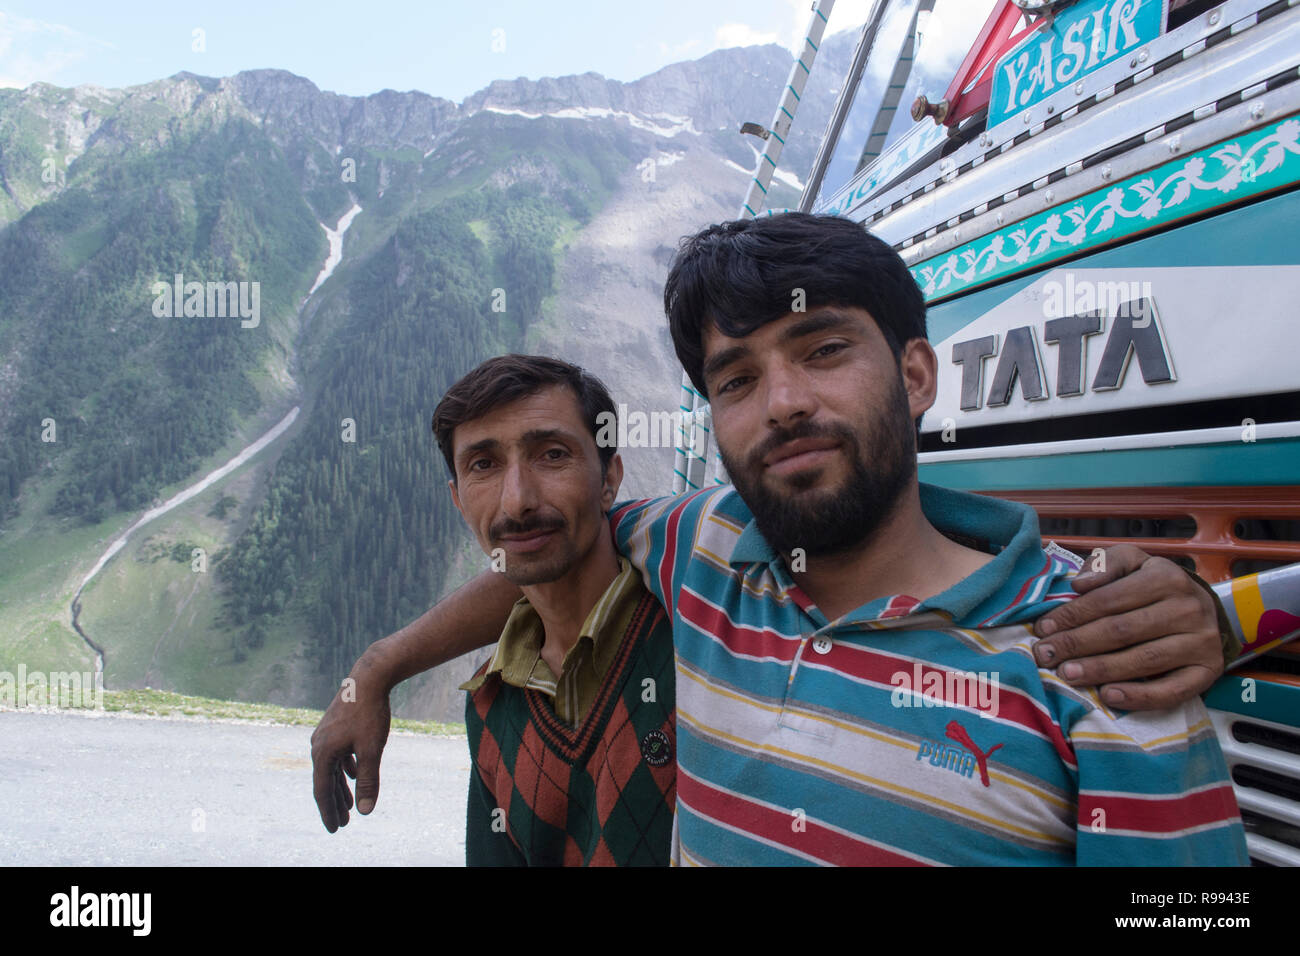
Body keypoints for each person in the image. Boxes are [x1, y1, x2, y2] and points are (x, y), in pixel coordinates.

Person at [311, 214, 1241, 864]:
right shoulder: (702, 548)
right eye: (737, 379)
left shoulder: (1103, 661)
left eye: (824, 349)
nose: (785, 402)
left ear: (916, 374)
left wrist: (1215, 612)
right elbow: (543, 551)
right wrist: (377, 670)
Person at [434, 355, 675, 865]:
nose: (517, 500)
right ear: (457, 501)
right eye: (483, 465)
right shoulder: (490, 707)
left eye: (552, 454)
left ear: (609, 477)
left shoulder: (693, 642)